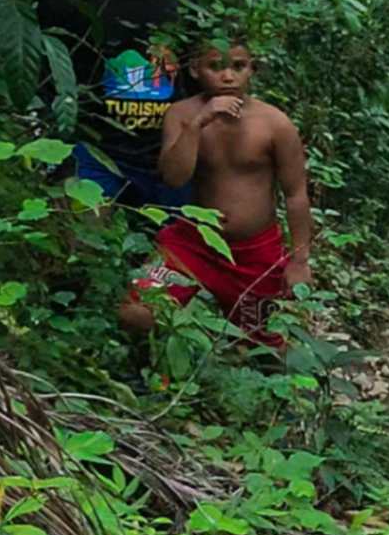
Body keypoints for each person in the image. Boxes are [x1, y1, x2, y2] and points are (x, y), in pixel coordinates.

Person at [117, 38, 314, 345]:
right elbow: (173, 178)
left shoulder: (275, 124)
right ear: (195, 70)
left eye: (238, 66)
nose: (227, 77)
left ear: (252, 70)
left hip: (255, 253)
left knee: (265, 345)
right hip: (192, 244)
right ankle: (154, 374)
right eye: (215, 66)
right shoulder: (181, 115)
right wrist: (198, 125)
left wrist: (299, 261)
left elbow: (296, 194)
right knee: (135, 311)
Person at [34, 0, 188, 210]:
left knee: (172, 253)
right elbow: (48, 79)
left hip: (163, 155)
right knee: (86, 241)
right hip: (92, 149)